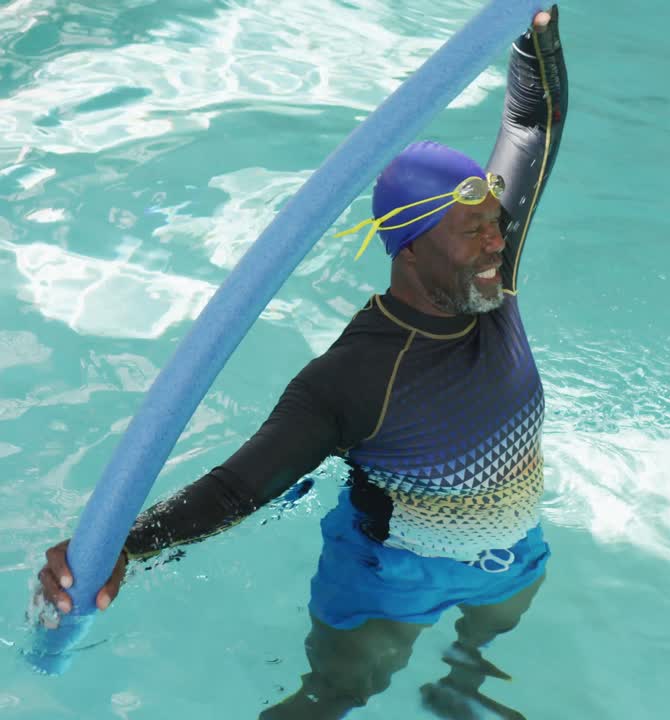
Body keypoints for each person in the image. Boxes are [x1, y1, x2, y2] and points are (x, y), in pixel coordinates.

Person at [35, 8, 568, 719]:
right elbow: (233, 491)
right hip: (389, 573)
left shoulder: (494, 288)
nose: (496, 242)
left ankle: (460, 685)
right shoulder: (352, 379)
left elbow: (531, 128)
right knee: (337, 696)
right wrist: (118, 546)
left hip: (512, 546)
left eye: (494, 224)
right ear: (410, 250)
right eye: (471, 232)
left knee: (490, 632)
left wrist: (535, 30)